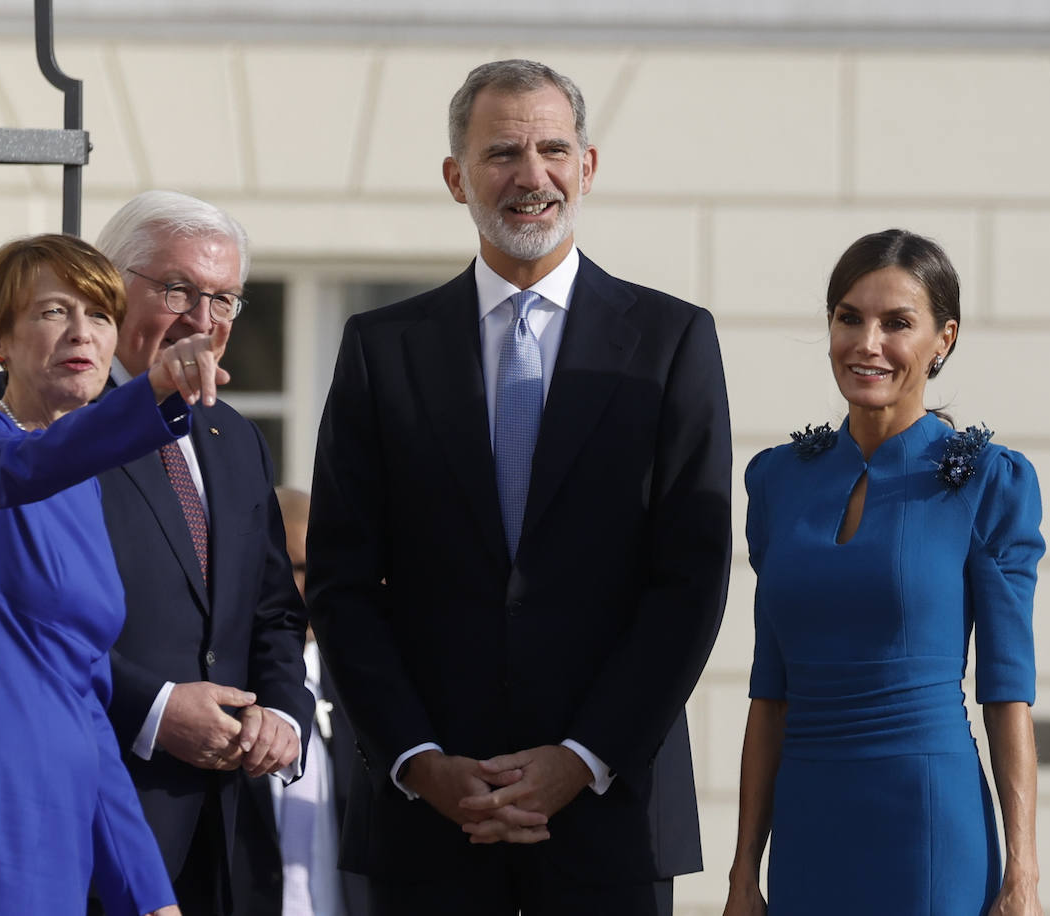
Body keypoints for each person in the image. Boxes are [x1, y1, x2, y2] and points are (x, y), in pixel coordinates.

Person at [306, 59, 732, 916]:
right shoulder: (381, 350)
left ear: (588, 166)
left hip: (610, 816)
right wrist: (419, 762)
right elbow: (344, 584)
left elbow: (689, 581)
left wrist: (580, 759)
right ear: (455, 177)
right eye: (503, 153)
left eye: (552, 149)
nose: (531, 176)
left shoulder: (670, 341)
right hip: (429, 822)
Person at [0, 191, 313, 916]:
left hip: (229, 828)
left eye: (225, 299)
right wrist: (155, 708)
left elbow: (273, 609)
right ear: (111, 284)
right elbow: (23, 616)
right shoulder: (39, 423)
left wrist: (283, 712)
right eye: (179, 289)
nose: (204, 320)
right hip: (91, 813)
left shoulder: (237, 437)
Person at [0, 233, 231, 915]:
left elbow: (86, 696)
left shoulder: (83, 484)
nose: (82, 332)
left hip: (64, 805)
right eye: (53, 312)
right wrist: (153, 395)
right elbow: (25, 468)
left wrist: (147, 893)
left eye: (101, 316)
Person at [722, 229, 1044, 915]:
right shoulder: (778, 481)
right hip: (808, 828)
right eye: (849, 317)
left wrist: (1023, 877)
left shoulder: (989, 481)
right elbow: (769, 694)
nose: (867, 343)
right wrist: (743, 873)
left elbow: (1006, 690)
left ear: (943, 340)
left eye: (897, 323)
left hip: (927, 823)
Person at [231, 487, 371, 916]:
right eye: (288, 567)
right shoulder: (218, 691)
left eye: (313, 567)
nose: (300, 588)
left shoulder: (367, 689)